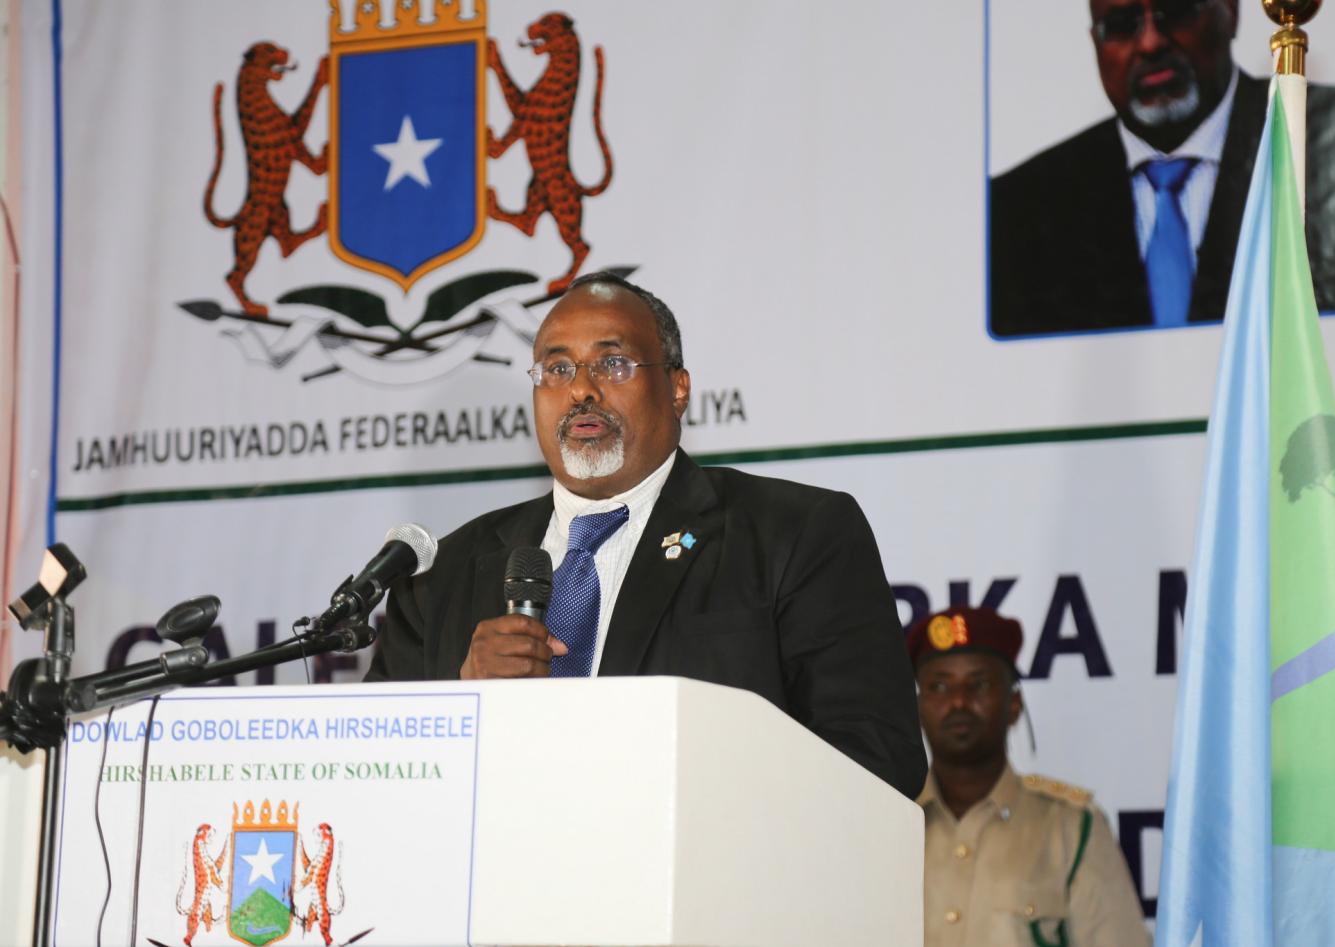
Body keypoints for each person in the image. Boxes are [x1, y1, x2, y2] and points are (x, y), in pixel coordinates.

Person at [365, 271, 927, 798]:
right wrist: (463, 705)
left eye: (613, 364)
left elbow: (876, 757)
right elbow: (377, 780)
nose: (581, 390)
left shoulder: (795, 533)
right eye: (556, 369)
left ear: (678, 389)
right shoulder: (441, 576)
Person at [990, 0, 1335, 337]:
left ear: (1230, 12)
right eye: (1122, 25)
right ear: (1095, 42)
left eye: (1176, 11)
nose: (1150, 43)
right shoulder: (1017, 210)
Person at [909, 607, 1150, 945]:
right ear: (918, 707)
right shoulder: (890, 824)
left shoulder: (1071, 828)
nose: (958, 701)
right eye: (939, 686)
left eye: (978, 684)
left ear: (1014, 704)